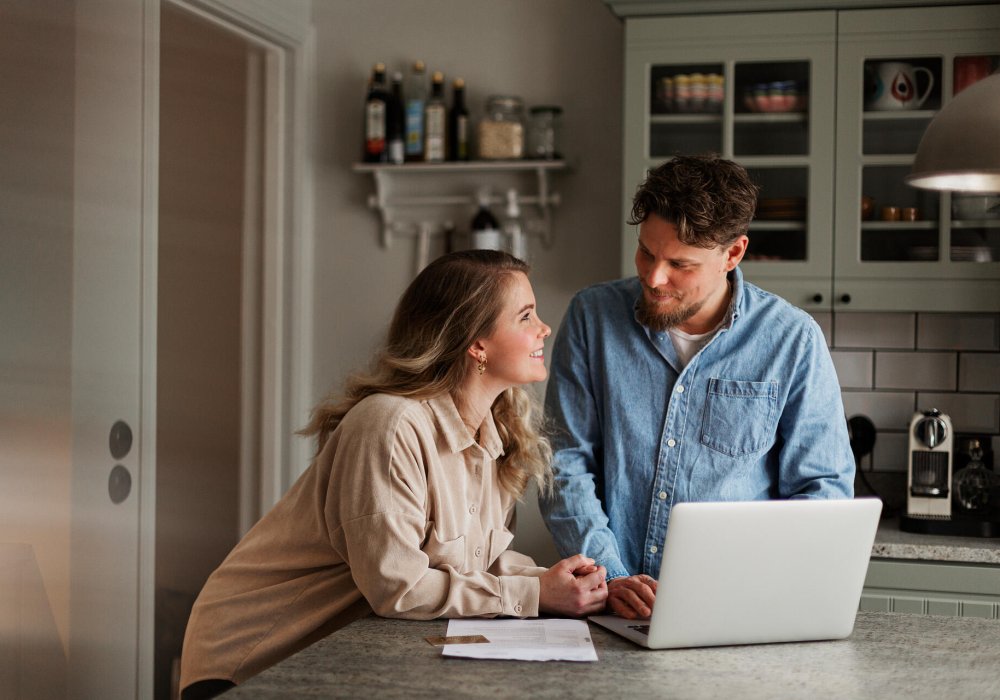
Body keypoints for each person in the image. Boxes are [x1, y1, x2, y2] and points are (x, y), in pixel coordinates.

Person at [179, 250, 608, 699]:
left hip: (332, 657)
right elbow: (398, 587)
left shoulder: (493, 434)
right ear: (477, 345)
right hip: (253, 659)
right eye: (525, 316)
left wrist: (577, 584)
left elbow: (476, 562)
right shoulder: (389, 425)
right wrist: (534, 595)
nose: (544, 328)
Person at [539, 154, 854, 621]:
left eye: (680, 264)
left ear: (733, 254)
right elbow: (563, 462)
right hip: (610, 608)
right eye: (646, 252)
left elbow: (822, 490)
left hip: (736, 609)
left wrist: (754, 584)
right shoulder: (592, 318)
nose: (654, 277)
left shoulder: (792, 340)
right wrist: (611, 576)